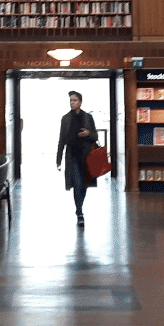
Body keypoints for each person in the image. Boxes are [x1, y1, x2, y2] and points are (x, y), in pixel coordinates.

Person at [56, 90, 98, 227]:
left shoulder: (87, 117)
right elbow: (62, 139)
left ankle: (79, 207)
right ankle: (80, 213)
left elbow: (95, 136)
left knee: (84, 185)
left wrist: (88, 133)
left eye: (74, 100)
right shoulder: (65, 118)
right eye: (70, 100)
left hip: (86, 156)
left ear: (80, 102)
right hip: (72, 155)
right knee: (77, 184)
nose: (72, 103)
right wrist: (58, 159)